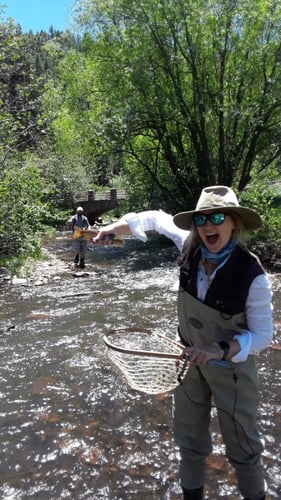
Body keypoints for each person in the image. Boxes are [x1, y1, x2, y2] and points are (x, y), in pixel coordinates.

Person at [92, 185, 274, 500]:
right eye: (202, 218)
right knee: (189, 442)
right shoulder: (187, 245)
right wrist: (112, 227)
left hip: (232, 369)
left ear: (234, 222)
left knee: (244, 447)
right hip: (187, 360)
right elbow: (152, 219)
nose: (207, 225)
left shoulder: (252, 273)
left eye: (217, 216)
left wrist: (218, 350)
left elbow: (263, 335)